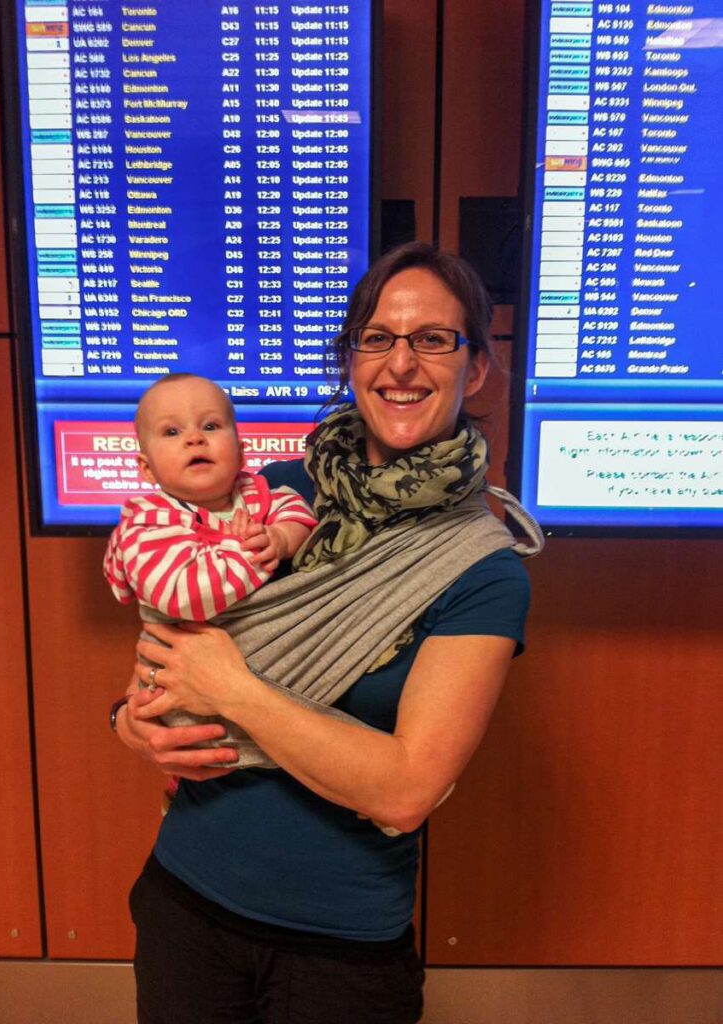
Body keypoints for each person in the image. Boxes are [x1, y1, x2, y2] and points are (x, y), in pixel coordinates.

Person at [112, 242, 543, 1024]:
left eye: (433, 339)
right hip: (183, 902)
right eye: (376, 338)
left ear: (474, 368)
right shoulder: (271, 492)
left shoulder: (482, 571)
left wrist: (232, 691)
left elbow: (407, 789)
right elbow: (170, 645)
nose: (400, 364)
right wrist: (130, 722)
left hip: (336, 946)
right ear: (349, 360)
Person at [104, 374, 317, 631]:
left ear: (240, 454)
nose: (194, 438)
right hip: (185, 651)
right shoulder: (146, 526)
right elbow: (186, 597)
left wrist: (280, 538)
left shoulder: (256, 494)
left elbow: (298, 512)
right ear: (147, 468)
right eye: (172, 432)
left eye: (210, 426)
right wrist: (249, 549)